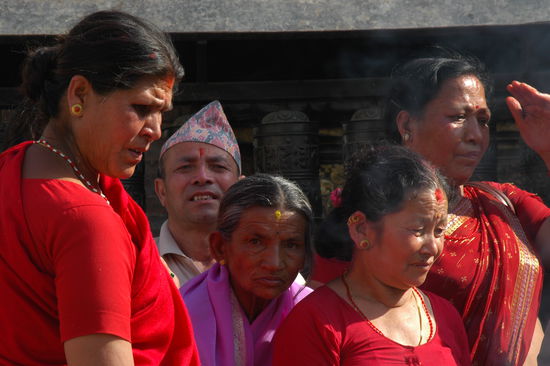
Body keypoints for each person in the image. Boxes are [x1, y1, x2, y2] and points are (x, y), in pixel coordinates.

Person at [0, 10, 200, 365]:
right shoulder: (86, 220)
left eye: (161, 113)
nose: (155, 129)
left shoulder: (15, 171)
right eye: (141, 108)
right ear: (80, 93)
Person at [385, 52, 550, 366]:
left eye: (483, 120)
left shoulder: (503, 203)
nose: (476, 135)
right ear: (407, 124)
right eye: (458, 117)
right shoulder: (371, 217)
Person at [273, 145, 471, 365]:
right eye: (417, 230)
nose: (432, 247)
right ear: (361, 229)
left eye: (439, 231)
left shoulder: (445, 316)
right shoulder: (316, 321)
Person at [181, 174, 314, 366]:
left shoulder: (314, 316)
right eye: (256, 242)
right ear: (219, 247)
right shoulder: (182, 315)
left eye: (291, 245)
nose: (275, 263)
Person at [154, 100, 242, 286]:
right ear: (162, 191)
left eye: (218, 167)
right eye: (185, 167)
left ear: (241, 189)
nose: (202, 178)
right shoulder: (136, 260)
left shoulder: (264, 264)